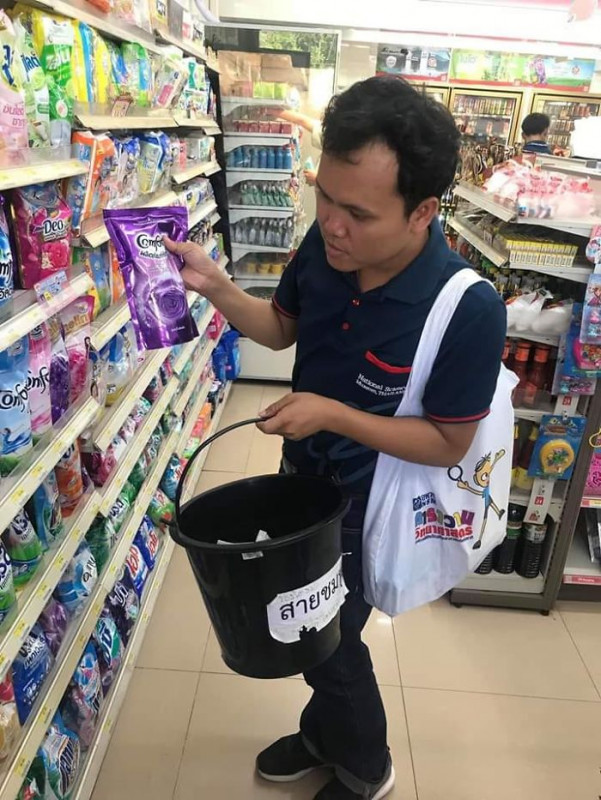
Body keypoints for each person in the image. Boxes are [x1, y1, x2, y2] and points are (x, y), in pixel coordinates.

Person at [165, 75, 506, 800]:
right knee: (307, 625)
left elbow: (448, 442)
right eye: (325, 197)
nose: (332, 224)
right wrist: (216, 286)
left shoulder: (466, 308)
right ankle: (325, 734)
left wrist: (333, 414)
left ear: (421, 212)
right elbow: (279, 329)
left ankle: (366, 766)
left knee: (330, 641)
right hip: (303, 483)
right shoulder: (323, 252)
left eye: (357, 213)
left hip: (372, 505)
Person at [279, 109, 323, 185]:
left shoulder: (339, 140)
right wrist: (273, 111)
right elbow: (303, 121)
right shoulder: (332, 134)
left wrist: (318, 180)